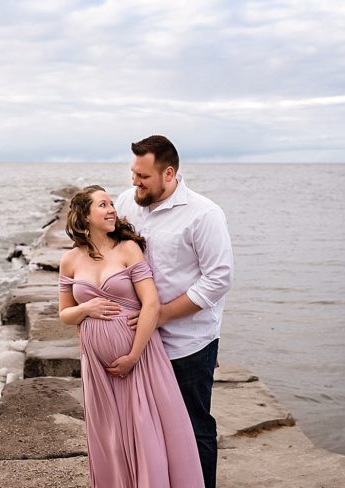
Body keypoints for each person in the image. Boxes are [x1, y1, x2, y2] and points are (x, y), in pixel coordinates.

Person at [58, 185, 203, 487]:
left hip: (139, 361)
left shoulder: (127, 249)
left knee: (145, 435)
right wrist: (86, 307)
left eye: (112, 203)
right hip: (97, 370)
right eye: (103, 204)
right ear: (84, 216)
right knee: (109, 440)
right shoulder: (70, 260)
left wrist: (133, 356)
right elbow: (65, 314)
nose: (112, 209)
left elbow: (150, 303)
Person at [115, 135, 235, 487]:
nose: (135, 182)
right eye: (133, 173)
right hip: (137, 341)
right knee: (146, 427)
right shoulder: (126, 202)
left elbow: (219, 278)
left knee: (193, 427)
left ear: (169, 174)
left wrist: (162, 315)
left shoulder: (204, 214)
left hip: (188, 344)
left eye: (143, 176)